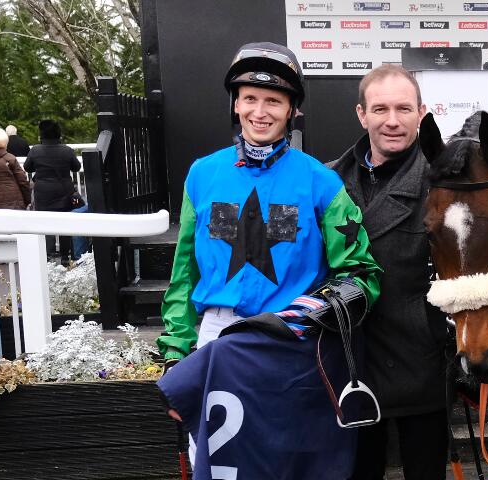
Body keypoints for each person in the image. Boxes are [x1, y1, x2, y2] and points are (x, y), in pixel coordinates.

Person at [155, 42, 381, 480]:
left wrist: (310, 313)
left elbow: (361, 275)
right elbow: (185, 272)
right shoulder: (202, 174)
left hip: (288, 344)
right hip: (218, 341)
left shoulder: (321, 181)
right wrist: (176, 353)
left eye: (274, 101)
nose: (261, 111)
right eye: (250, 99)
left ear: (292, 110)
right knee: (220, 468)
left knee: (283, 464)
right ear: (236, 104)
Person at [327, 63, 449, 480]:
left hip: (421, 365)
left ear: (422, 113)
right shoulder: (326, 181)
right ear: (362, 114)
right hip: (350, 364)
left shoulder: (446, 182)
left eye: (403, 108)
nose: (392, 121)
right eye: (380, 110)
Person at [24, 120, 81, 260]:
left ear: (41, 135)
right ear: (58, 134)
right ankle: (65, 256)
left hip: (43, 192)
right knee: (65, 223)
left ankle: (48, 255)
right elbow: (76, 167)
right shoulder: (67, 150)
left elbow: (27, 167)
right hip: (64, 190)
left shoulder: (35, 150)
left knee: (45, 222)